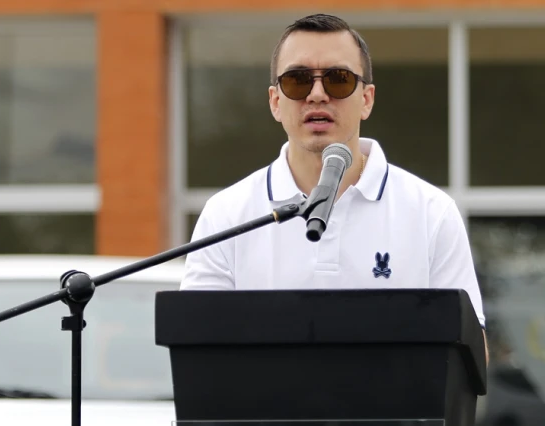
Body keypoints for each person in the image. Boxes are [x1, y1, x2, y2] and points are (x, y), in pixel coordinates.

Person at [179, 13, 489, 360]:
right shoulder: (226, 216)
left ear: (367, 99)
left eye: (338, 80)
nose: (316, 95)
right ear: (275, 101)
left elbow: (470, 353)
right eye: (297, 80)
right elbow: (199, 352)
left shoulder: (431, 213)